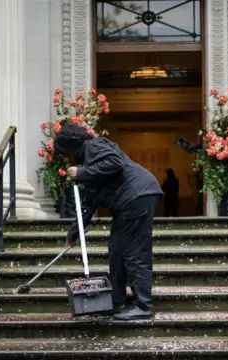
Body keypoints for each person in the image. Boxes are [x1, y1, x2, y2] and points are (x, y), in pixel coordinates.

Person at [53, 123, 162, 321]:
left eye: (64, 154)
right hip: (131, 201)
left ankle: (143, 306)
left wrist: (81, 173)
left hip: (137, 196)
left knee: (134, 252)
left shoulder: (93, 146)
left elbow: (115, 162)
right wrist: (74, 233)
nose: (65, 159)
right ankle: (116, 298)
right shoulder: (90, 163)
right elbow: (88, 204)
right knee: (117, 248)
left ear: (71, 147)